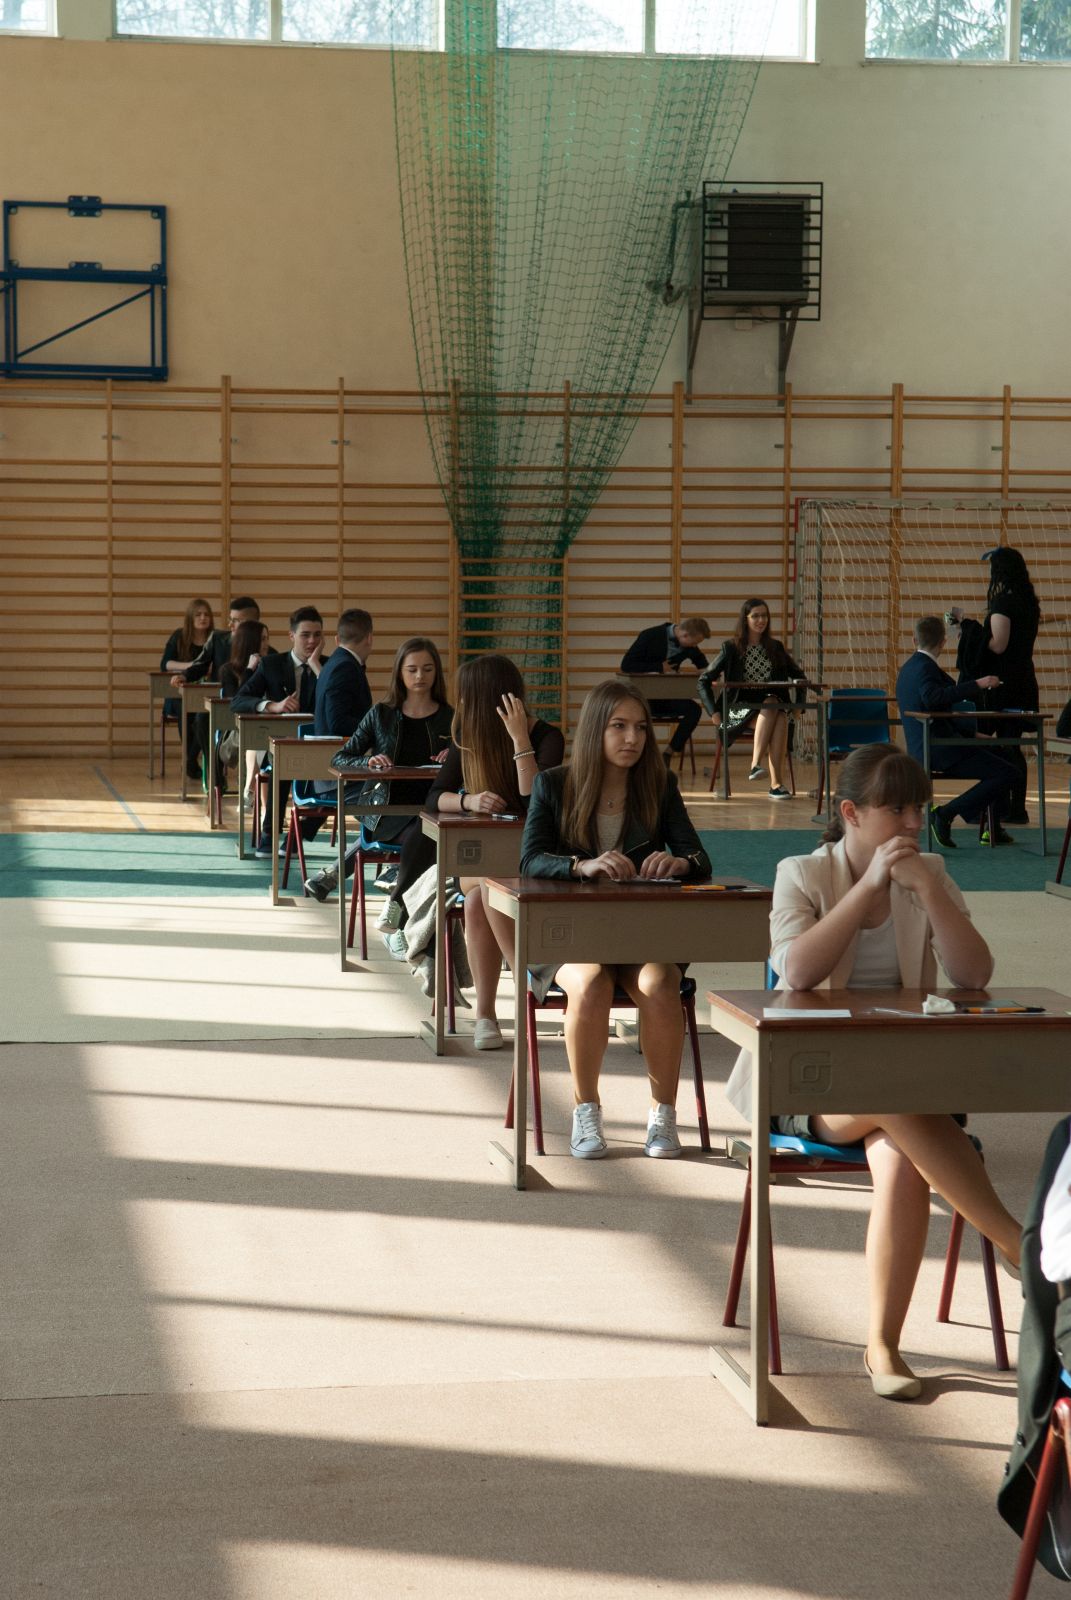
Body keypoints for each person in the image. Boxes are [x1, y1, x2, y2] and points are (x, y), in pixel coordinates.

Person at [725, 742, 1021, 1401]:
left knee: (898, 1155)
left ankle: (881, 1344)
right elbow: (796, 973)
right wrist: (866, 890)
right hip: (807, 1080)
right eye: (897, 811)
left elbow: (974, 975)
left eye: (919, 809)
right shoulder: (801, 873)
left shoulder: (930, 871)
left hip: (904, 1082)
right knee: (890, 1095)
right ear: (851, 813)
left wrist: (931, 893)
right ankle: (1013, 1240)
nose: (914, 824)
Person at [519, 680, 712, 1159]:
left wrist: (679, 863)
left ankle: (663, 1115)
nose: (633, 738)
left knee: (661, 983)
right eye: (619, 726)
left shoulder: (660, 785)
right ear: (595, 731)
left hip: (638, 932)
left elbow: (698, 857)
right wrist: (579, 866)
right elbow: (529, 860)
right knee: (590, 984)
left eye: (641, 728)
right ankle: (586, 1111)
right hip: (571, 934)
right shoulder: (553, 784)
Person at [428, 654, 565, 1050]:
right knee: (488, 880)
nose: (462, 705)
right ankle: (524, 983)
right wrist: (469, 801)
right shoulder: (468, 740)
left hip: (535, 859)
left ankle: (488, 1013)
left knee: (477, 900)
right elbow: (435, 797)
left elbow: (535, 798)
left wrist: (520, 740)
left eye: (467, 697)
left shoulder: (547, 737)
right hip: (486, 861)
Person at [304, 637, 453, 944]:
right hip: (386, 808)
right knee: (429, 833)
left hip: (433, 805)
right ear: (400, 672)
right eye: (412, 669)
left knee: (430, 829)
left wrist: (455, 755)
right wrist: (368, 761)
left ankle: (396, 900)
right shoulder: (381, 713)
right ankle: (399, 908)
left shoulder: (450, 717)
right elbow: (340, 758)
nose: (420, 676)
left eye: (427, 669)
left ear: (436, 673)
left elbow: (471, 761)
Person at [896, 614, 1018, 847]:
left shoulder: (909, 668)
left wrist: (972, 735)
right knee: (1007, 772)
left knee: (1004, 755)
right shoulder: (925, 668)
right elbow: (933, 698)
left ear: (914, 640)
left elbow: (937, 712)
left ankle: (993, 827)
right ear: (943, 642)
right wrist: (978, 684)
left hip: (927, 746)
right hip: (940, 749)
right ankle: (946, 813)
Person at [951, 546, 1041, 825]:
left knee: (997, 744)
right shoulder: (1029, 601)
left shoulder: (1004, 604)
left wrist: (968, 631)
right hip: (1023, 680)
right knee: (1011, 743)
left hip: (1003, 685)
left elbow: (998, 645)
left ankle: (1000, 807)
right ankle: (1014, 808)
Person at [232, 606, 327, 856]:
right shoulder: (271, 664)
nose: (312, 641)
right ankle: (269, 833)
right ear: (291, 636)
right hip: (281, 748)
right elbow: (238, 700)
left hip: (321, 747)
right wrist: (272, 706)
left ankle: (299, 833)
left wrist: (318, 668)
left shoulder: (330, 666)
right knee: (283, 760)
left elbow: (343, 704)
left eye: (317, 635)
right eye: (305, 635)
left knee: (337, 778)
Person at [697, 598, 806, 800]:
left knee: (777, 710)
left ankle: (761, 771)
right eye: (755, 616)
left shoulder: (776, 647)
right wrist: (713, 712)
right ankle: (773, 782)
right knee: (777, 713)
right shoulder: (731, 648)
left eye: (764, 615)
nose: (761, 620)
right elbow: (703, 681)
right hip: (738, 709)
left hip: (770, 705)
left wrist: (799, 706)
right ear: (745, 619)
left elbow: (800, 677)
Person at [620, 616, 710, 766]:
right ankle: (642, 757)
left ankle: (668, 752)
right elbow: (626, 665)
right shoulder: (650, 635)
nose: (695, 646)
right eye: (694, 643)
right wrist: (658, 667)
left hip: (668, 696)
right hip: (644, 698)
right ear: (685, 635)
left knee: (694, 710)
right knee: (635, 714)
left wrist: (708, 673)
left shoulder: (689, 646)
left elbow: (702, 664)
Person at [160, 598, 215, 780]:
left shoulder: (215, 639)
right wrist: (192, 666)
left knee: (204, 715)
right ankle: (190, 759)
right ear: (190, 618)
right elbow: (166, 664)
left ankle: (190, 759)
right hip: (179, 694)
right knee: (184, 708)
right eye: (198, 614)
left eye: (206, 614)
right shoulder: (179, 637)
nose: (203, 618)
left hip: (204, 693)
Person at [219, 619, 271, 802]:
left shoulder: (272, 664)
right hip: (238, 730)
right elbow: (238, 702)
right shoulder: (228, 670)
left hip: (269, 725)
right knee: (256, 737)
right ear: (251, 641)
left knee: (262, 737)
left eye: (267, 638)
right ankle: (252, 790)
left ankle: (252, 793)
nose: (266, 643)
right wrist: (250, 669)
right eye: (262, 639)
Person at [312, 608, 374, 739]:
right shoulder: (345, 667)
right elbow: (337, 722)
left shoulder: (334, 662)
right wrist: (374, 726)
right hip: (339, 748)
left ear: (338, 639)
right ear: (369, 638)